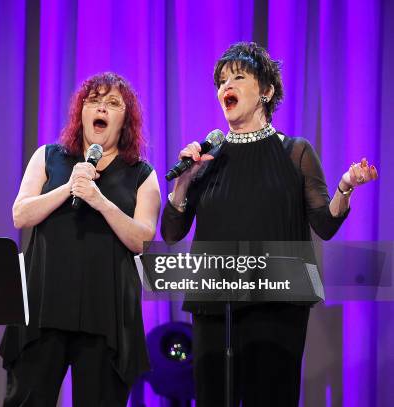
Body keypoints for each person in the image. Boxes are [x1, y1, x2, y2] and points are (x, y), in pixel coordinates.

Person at [161, 42, 378, 406]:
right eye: (221, 81)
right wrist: (184, 180)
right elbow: (171, 232)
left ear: (266, 91)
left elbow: (324, 224)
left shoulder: (296, 152)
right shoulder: (207, 159)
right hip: (214, 306)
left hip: (277, 305)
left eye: (238, 77)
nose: (225, 86)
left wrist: (345, 187)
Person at [0, 72, 161, 406]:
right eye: (94, 100)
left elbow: (143, 239)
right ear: (82, 112)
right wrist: (68, 188)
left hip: (106, 314)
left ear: (125, 120)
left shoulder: (142, 174)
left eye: (113, 103)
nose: (102, 107)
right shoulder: (49, 157)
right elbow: (21, 214)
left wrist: (99, 201)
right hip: (44, 306)